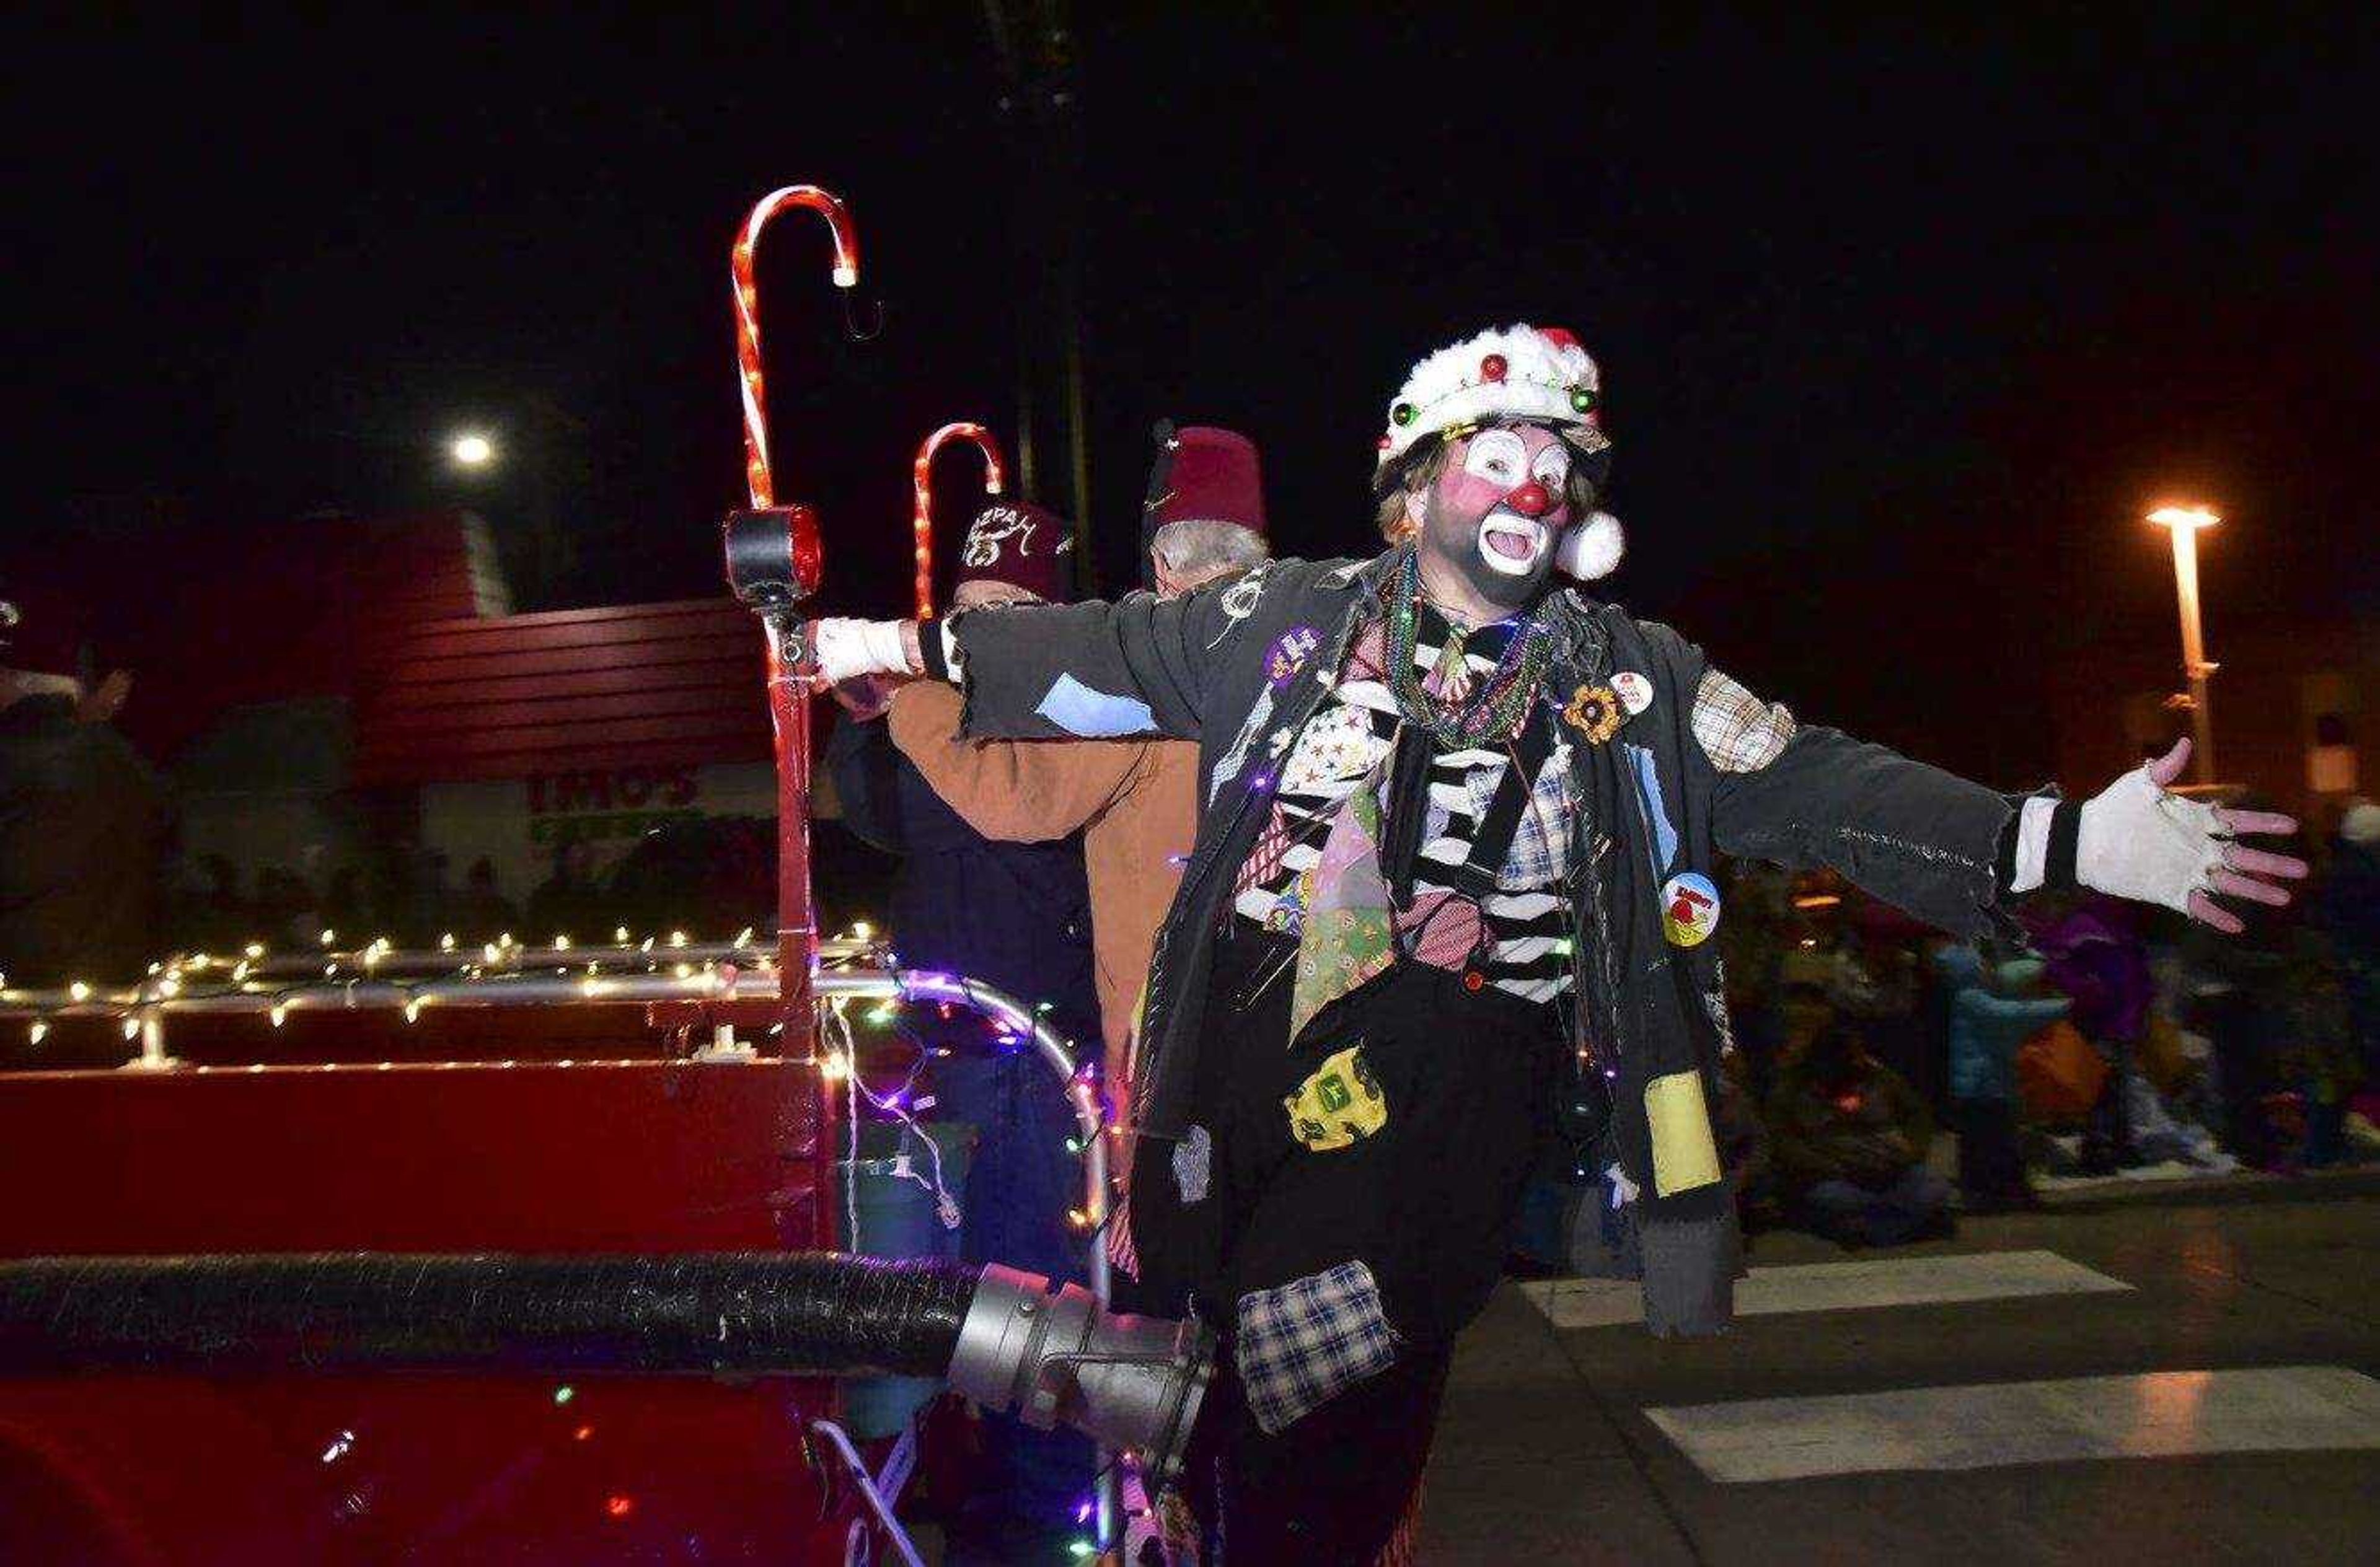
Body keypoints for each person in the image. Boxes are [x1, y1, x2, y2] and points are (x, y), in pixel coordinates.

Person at [804, 322, 2307, 1560]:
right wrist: (881, 648)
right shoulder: (1273, 619)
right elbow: (1093, 653)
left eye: (1554, 463)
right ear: (1411, 488)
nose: (1527, 485)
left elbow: (1810, 780)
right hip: (1219, 1114)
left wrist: (2054, 840)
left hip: (1433, 1131)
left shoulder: (1635, 682)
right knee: (1239, 1449)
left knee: (1313, 1424)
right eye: (1494, 455)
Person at [881, 426, 1269, 1224]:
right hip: (1293, 1008)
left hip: (1170, 1032)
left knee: (1177, 1244)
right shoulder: (1313, 643)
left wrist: (906, 698)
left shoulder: (1151, 674)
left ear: (1161, 565)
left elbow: (1015, 798)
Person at [822, 501, 1103, 1563]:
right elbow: (882, 818)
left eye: (1009, 609)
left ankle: (1039, 1522)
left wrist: (910, 715)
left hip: (1036, 1051)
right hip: (942, 1052)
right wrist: (860, 715)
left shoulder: (1074, 708)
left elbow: (1011, 821)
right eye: (969, 608)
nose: (981, 628)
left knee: (1029, 1298)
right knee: (941, 1296)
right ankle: (982, 1500)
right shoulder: (935, 702)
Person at [0, 613, 167, 986]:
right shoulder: (133, 765)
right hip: (118, 999)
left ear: (9, 678)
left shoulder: (12, 759)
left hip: (19, 1006)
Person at [1770, 1022, 1954, 1245]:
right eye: (1848, 1056)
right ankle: (1899, 1225)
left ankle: (1877, 1229)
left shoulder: (1882, 1079)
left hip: (1891, 1173)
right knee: (1831, 1199)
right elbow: (1785, 1141)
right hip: (1836, 1177)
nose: (1858, 1061)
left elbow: (1917, 1116)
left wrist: (1912, 1151)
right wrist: (1828, 1167)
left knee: (1934, 1189)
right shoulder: (1794, 1090)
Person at [1937, 944, 2069, 1210]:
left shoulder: (1970, 997)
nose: (1990, 969)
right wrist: (2065, 1006)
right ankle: (1992, 1193)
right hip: (1982, 1086)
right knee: (1993, 1142)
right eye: (1982, 966)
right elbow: (2011, 1015)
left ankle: (1988, 1192)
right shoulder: (1972, 998)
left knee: (1984, 1143)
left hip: (1983, 1085)